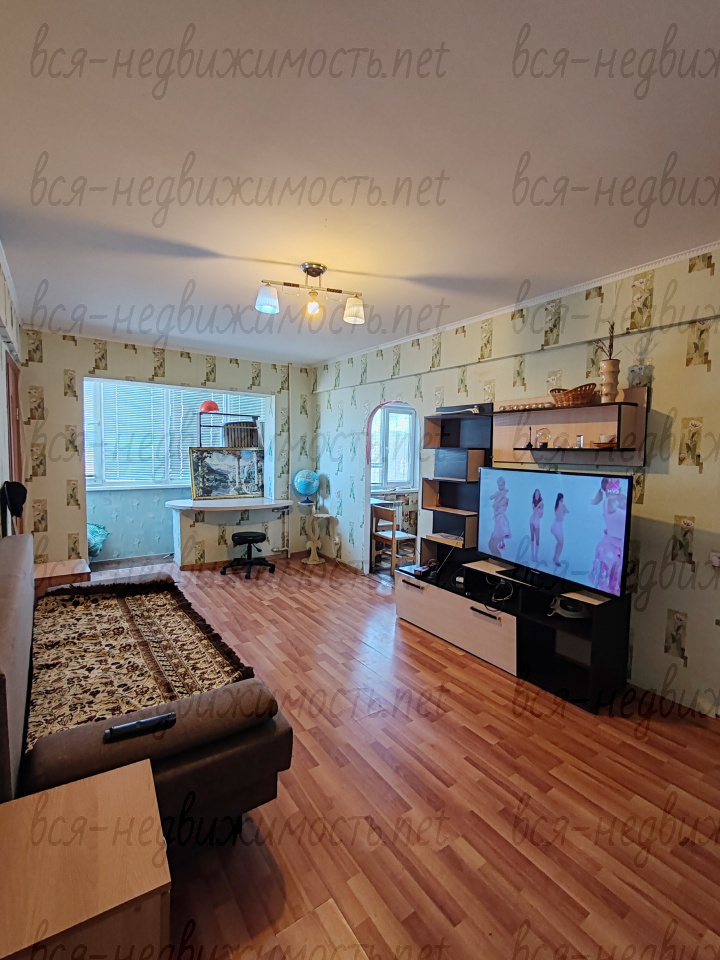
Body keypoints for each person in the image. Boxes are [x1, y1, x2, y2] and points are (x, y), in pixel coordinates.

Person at [590, 478, 628, 593]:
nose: (617, 486)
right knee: (610, 583)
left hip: (620, 546)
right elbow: (619, 503)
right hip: (611, 547)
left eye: (617, 483)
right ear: (608, 487)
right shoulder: (609, 501)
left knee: (616, 582)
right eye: (614, 484)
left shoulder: (619, 499)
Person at [488, 476, 511, 555]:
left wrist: (501, 495)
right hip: (497, 522)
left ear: (504, 484)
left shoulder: (506, 497)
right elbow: (490, 497)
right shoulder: (500, 493)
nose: (500, 487)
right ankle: (496, 560)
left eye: (501, 485)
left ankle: (499, 560)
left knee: (493, 546)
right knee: (491, 546)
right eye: (499, 485)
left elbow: (495, 506)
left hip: (502, 523)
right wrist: (499, 494)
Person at [551, 493, 568, 567]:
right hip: (557, 526)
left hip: (557, 525)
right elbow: (566, 511)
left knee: (560, 542)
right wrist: (565, 509)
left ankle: (556, 557)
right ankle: (556, 558)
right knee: (561, 543)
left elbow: (565, 512)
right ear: (561, 498)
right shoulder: (561, 505)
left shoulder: (558, 505)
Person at [529, 488, 544, 563]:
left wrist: (541, 507)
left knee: (537, 539)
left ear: (539, 495)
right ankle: (532, 554)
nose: (536, 495)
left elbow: (541, 515)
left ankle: (536, 555)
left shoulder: (542, 504)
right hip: (532, 521)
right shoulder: (533, 503)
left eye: (538, 493)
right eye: (535, 494)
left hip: (537, 522)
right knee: (532, 537)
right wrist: (539, 504)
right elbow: (534, 510)